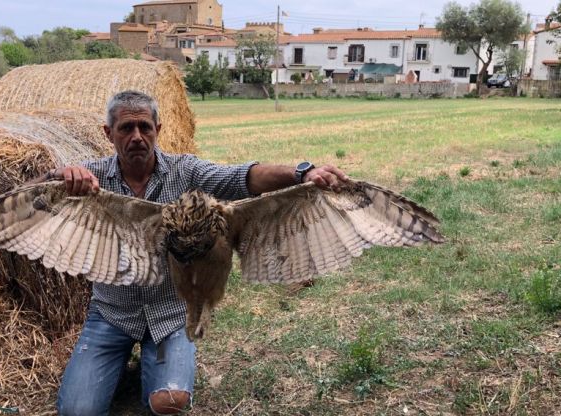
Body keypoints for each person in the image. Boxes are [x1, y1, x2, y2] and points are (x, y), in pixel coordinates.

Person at [48, 90, 348, 415]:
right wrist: (57, 178)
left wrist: (301, 173)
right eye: (126, 128)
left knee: (168, 403)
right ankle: (114, 365)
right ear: (109, 133)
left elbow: (242, 177)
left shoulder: (187, 172)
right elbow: (33, 193)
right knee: (77, 411)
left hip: (171, 315)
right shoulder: (92, 180)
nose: (137, 136)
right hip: (111, 313)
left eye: (144, 127)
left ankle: (151, 369)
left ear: (158, 130)